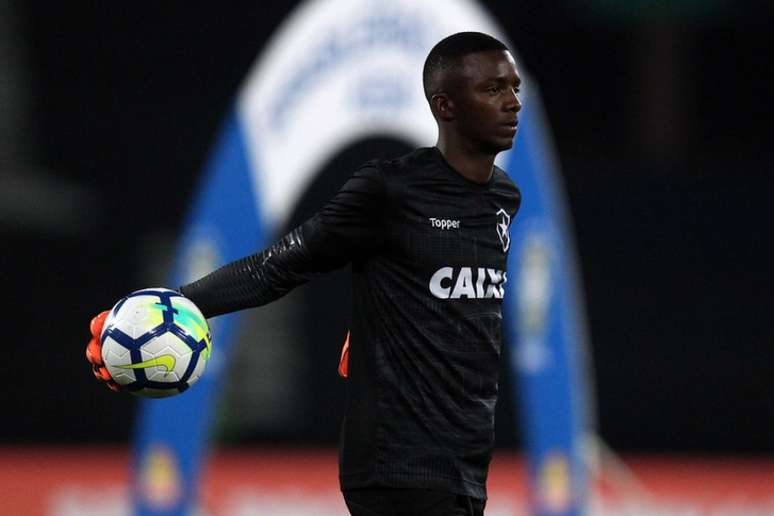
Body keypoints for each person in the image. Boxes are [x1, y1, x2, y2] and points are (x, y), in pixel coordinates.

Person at [86, 31, 522, 516]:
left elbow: (450, 302)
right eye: (493, 90)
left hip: (465, 462)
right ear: (446, 105)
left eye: (514, 88)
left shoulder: (504, 198)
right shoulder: (390, 190)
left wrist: (392, 326)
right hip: (398, 462)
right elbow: (280, 266)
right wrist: (175, 306)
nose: (511, 103)